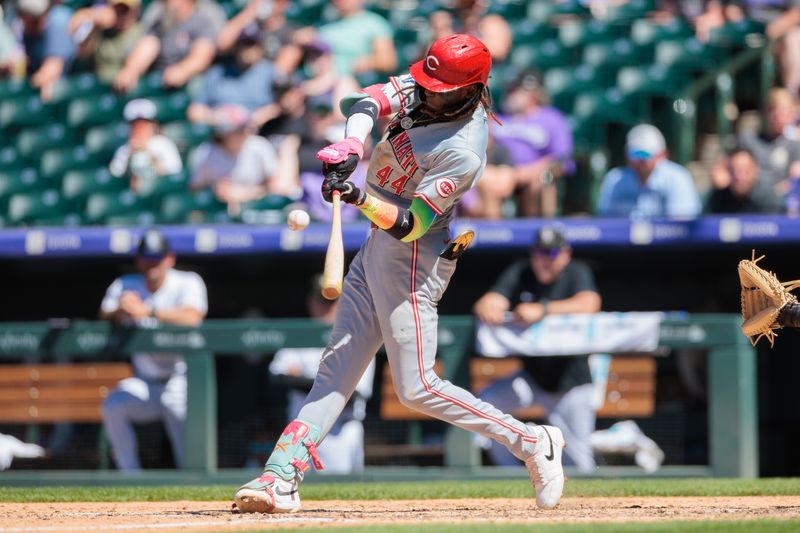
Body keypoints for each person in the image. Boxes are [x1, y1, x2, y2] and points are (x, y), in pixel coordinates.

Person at [232, 34, 566, 515]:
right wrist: (352, 141)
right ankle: (281, 475)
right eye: (427, 81)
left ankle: (531, 441)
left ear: (470, 89)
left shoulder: (464, 150)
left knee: (417, 388)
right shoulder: (433, 83)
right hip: (375, 251)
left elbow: (412, 226)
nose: (427, 90)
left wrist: (356, 198)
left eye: (439, 87)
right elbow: (368, 99)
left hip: (415, 259)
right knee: (335, 370)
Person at [472, 226, 602, 472]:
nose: (544, 259)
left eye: (551, 253)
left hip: (570, 382)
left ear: (565, 253)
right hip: (532, 378)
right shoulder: (521, 272)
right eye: (539, 252)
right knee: (488, 403)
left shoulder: (576, 272)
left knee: (581, 465)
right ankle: (511, 475)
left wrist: (542, 309)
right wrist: (490, 306)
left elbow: (590, 303)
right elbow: (489, 301)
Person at [100, 230, 207, 471]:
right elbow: (103, 314)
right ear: (138, 260)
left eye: (157, 258)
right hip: (145, 383)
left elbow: (193, 316)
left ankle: (191, 480)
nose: (152, 265)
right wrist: (121, 309)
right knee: (113, 405)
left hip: (180, 380)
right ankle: (131, 478)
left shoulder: (188, 281)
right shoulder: (126, 285)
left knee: (178, 418)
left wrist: (148, 311)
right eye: (147, 258)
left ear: (170, 259)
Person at [268, 275, 375, 474]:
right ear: (311, 302)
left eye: (332, 301)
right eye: (322, 301)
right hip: (297, 434)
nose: (327, 308)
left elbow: (353, 395)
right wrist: (329, 382)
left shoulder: (359, 337)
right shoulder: (299, 336)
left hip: (339, 432)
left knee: (341, 498)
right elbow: (278, 375)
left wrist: (301, 378)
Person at [492, 70, 575, 217]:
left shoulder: (552, 118)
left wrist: (527, 172)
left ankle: (541, 232)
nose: (509, 95)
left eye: (514, 91)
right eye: (509, 90)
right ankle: (488, 233)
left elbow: (562, 158)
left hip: (535, 176)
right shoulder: (498, 118)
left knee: (540, 181)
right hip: (501, 174)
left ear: (533, 94)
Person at [189, 104, 298, 215]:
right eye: (238, 130)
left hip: (257, 209)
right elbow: (195, 189)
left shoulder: (258, 146)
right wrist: (216, 191)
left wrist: (245, 193)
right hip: (219, 211)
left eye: (244, 128)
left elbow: (278, 187)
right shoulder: (208, 152)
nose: (245, 132)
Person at [596, 124, 702, 218]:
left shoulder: (678, 177)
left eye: (645, 154)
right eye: (635, 154)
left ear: (661, 155)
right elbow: (606, 221)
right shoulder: (614, 179)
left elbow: (681, 226)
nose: (640, 160)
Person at [187, 26, 280, 129]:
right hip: (219, 134)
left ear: (260, 47)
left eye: (251, 45)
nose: (246, 50)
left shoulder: (270, 72)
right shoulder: (218, 72)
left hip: (255, 133)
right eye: (243, 44)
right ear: (236, 47)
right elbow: (195, 110)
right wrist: (216, 118)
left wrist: (260, 116)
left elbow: (283, 104)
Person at [114, 0, 216, 92]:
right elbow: (148, 45)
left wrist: (183, 70)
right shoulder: (160, 23)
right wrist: (131, 70)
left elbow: (202, 57)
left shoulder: (201, 22)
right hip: (162, 78)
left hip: (190, 82)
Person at [109, 98, 183, 195]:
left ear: (153, 125)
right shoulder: (124, 149)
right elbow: (116, 180)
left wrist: (149, 153)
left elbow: (174, 177)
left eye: (144, 124)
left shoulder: (164, 144)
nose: (139, 128)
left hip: (160, 195)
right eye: (135, 125)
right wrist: (129, 155)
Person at [68, 0, 142, 84]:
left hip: (123, 90)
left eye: (125, 10)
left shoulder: (141, 32)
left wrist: (130, 71)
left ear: (136, 10)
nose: (121, 14)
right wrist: (93, 18)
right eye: (117, 9)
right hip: (97, 86)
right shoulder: (102, 31)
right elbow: (82, 54)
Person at [13, 0, 75, 101]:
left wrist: (19, 91)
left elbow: (51, 70)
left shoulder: (57, 22)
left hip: (63, 91)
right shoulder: (24, 30)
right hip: (34, 87)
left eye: (36, 18)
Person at [706, 147, 782, 214]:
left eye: (746, 171)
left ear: (755, 170)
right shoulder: (718, 197)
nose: (739, 177)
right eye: (734, 170)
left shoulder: (767, 197)